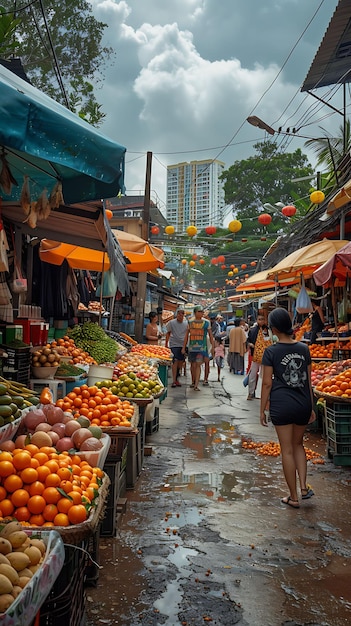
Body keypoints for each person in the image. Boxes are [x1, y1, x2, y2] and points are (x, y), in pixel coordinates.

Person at [260, 307, 316, 509]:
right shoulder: (304, 348)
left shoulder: (271, 351)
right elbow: (308, 381)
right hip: (303, 403)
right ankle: (303, 487)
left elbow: (266, 383)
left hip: (281, 405)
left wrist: (262, 409)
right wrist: (310, 406)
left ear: (274, 329)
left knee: (287, 450)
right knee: (299, 445)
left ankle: (293, 497)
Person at [182, 305, 214, 391]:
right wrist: (183, 347)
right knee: (193, 365)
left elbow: (210, 335)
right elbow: (186, 335)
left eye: (202, 312)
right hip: (192, 347)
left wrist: (213, 347)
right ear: (195, 312)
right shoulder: (190, 322)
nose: (202, 313)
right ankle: (193, 381)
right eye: (200, 311)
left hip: (202, 348)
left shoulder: (207, 322)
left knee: (198, 364)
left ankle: (196, 384)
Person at [247, 312, 272, 400]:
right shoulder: (253, 330)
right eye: (259, 319)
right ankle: (251, 393)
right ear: (257, 320)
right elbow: (248, 340)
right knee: (253, 375)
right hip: (255, 356)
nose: (261, 321)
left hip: (266, 357)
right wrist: (250, 344)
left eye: (263, 319)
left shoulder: (268, 331)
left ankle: (265, 395)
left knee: (265, 376)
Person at [165, 308, 188, 388]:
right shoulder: (171, 323)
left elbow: (186, 336)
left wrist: (184, 347)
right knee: (174, 362)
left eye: (182, 315)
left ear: (183, 316)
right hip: (174, 344)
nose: (180, 316)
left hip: (182, 345)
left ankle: (177, 378)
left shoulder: (186, 324)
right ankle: (174, 380)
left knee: (180, 363)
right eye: (179, 315)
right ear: (177, 315)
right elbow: (168, 333)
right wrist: (166, 344)